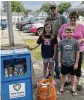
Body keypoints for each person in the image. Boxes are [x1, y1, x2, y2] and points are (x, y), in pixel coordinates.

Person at [58, 11, 84, 90]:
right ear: (69, 18)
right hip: (66, 49)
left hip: (78, 49)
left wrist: (81, 40)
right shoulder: (64, 26)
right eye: (71, 17)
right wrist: (59, 41)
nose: (73, 19)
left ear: (77, 18)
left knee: (77, 66)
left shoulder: (81, 26)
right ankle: (69, 80)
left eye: (74, 18)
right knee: (67, 64)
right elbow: (58, 36)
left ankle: (78, 82)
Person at [45, 4, 66, 79]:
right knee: (49, 58)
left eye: (54, 7)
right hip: (49, 42)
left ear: (57, 8)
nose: (53, 9)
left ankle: (57, 72)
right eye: (51, 8)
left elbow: (65, 29)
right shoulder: (47, 18)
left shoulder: (62, 18)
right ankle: (50, 73)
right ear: (50, 9)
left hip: (58, 42)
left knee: (57, 58)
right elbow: (45, 29)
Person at [58, 27, 80, 96]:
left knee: (73, 76)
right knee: (63, 76)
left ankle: (73, 88)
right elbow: (59, 52)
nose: (69, 34)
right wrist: (59, 62)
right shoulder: (61, 42)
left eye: (70, 32)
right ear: (65, 33)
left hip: (72, 63)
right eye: (67, 32)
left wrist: (76, 63)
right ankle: (62, 88)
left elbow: (78, 53)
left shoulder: (75, 42)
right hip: (64, 63)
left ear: (73, 33)